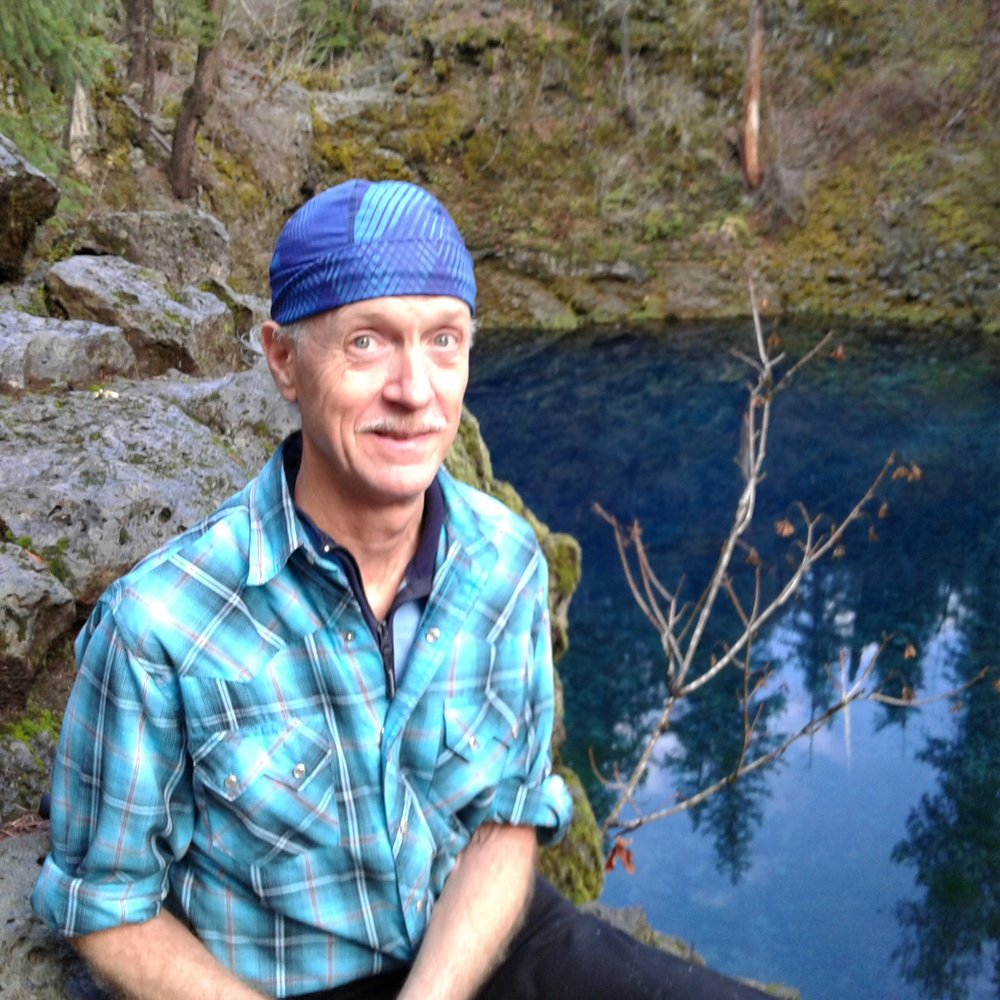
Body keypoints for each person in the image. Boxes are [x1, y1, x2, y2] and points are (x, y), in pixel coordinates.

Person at [33, 179, 773, 1000]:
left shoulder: (505, 561)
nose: (415, 390)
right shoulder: (161, 625)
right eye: (367, 342)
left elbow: (506, 819)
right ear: (283, 360)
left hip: (481, 937)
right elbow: (106, 908)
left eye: (443, 340)